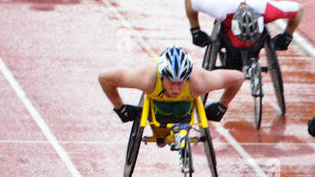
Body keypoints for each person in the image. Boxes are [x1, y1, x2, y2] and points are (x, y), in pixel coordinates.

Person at [99, 45, 243, 148]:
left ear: (187, 79)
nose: (175, 88)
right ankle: (163, 135)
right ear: (162, 78)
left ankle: (178, 133)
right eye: (171, 83)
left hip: (184, 108)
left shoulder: (199, 81)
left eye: (180, 83)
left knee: (181, 108)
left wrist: (222, 105)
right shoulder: (146, 78)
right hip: (157, 107)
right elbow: (104, 78)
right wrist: (120, 108)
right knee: (162, 122)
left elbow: (238, 77)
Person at [186, 0, 303, 72]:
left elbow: (300, 10)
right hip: (229, 32)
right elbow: (190, 2)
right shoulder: (220, 9)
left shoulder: (268, 11)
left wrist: (287, 36)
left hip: (255, 33)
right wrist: (195, 30)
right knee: (233, 63)